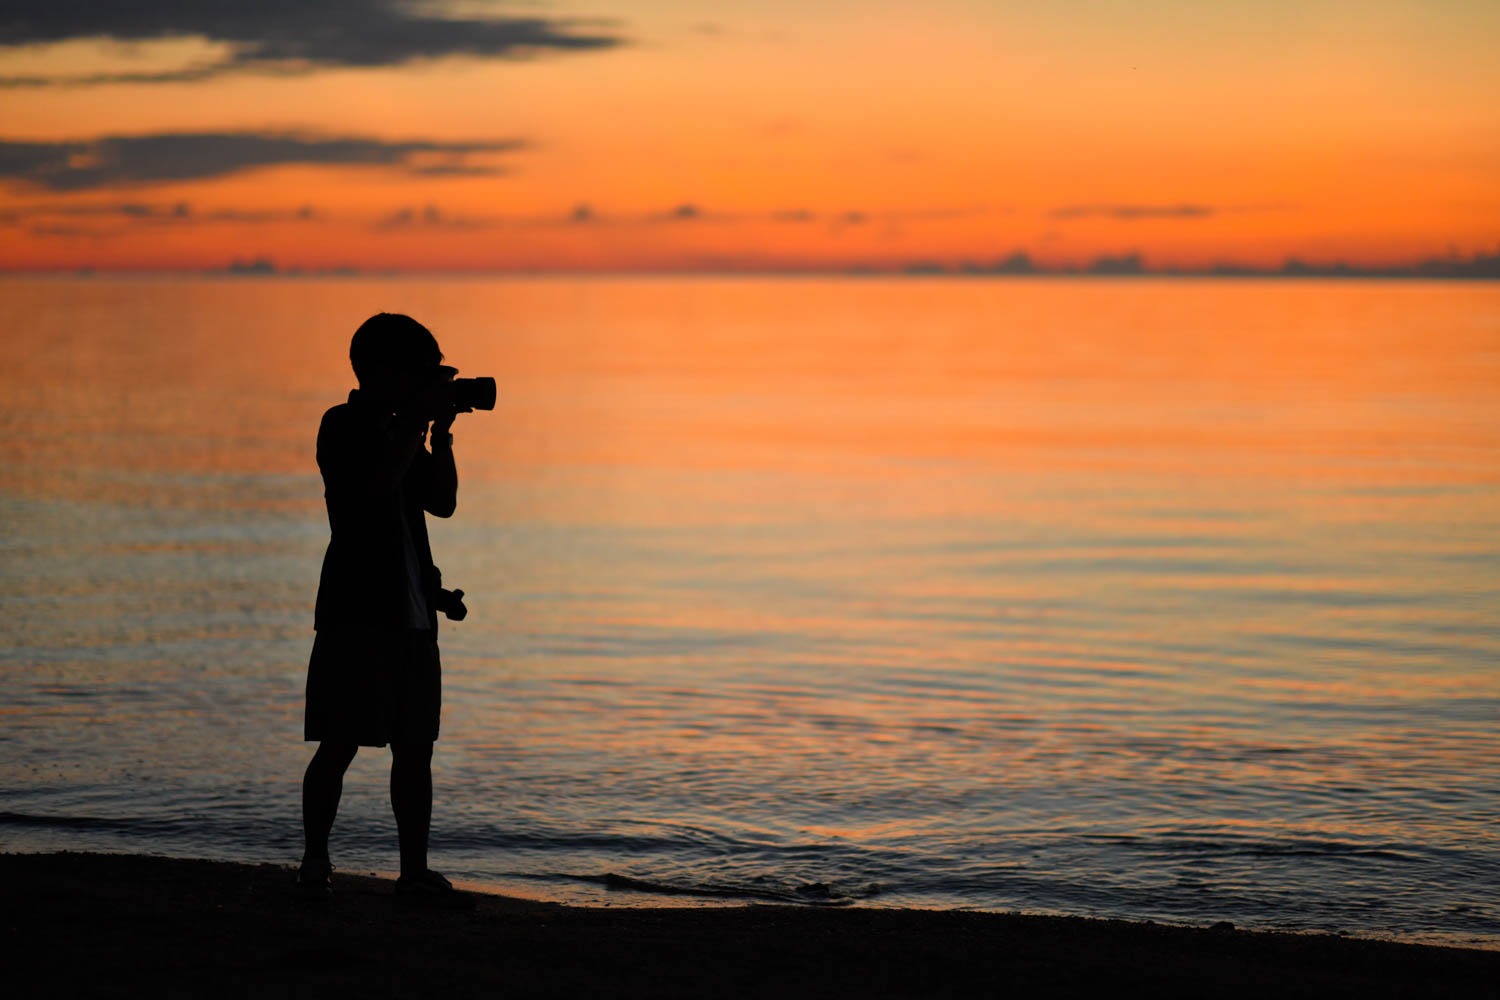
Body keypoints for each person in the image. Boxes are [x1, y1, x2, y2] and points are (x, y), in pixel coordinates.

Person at [296, 312, 470, 902]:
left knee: (415, 749)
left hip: (414, 615)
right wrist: (415, 422)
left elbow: (441, 502)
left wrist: (439, 434)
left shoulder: (405, 428)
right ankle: (315, 858)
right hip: (357, 613)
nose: (432, 381)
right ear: (381, 371)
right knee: (340, 741)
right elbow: (372, 488)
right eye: (425, 372)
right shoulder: (343, 424)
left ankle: (413, 871)